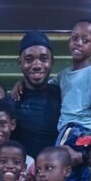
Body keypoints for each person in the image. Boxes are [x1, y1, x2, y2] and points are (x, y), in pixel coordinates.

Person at [54, 19, 91, 181]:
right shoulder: (63, 75)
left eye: (85, 40)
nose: (78, 43)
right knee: (77, 175)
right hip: (68, 129)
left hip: (77, 129)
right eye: (74, 38)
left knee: (59, 172)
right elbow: (43, 87)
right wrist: (20, 84)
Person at [10, 31, 61, 160]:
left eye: (44, 59)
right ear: (20, 62)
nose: (37, 65)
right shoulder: (11, 101)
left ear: (52, 61)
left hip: (57, 169)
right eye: (29, 59)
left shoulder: (64, 96)